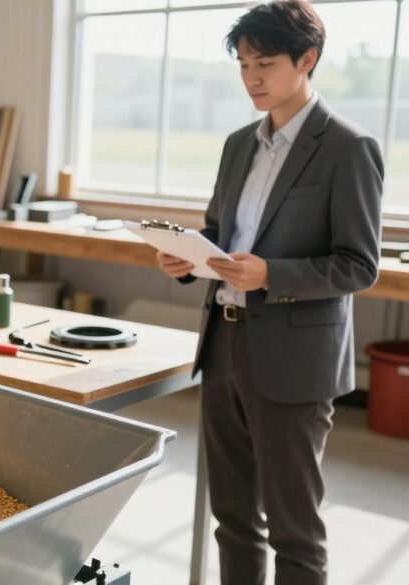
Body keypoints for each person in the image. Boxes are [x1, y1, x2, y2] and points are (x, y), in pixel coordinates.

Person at [155, 1, 383, 584]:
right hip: (224, 345)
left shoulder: (348, 148)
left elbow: (358, 266)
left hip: (294, 361)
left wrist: (272, 275)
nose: (252, 78)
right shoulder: (239, 144)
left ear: (307, 60)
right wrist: (187, 257)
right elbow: (221, 233)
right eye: (243, 63)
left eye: (266, 63)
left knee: (293, 529)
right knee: (231, 516)